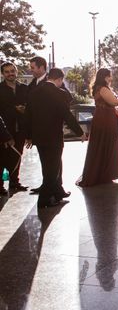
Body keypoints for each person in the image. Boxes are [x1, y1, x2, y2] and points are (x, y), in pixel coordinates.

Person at [24, 68, 86, 208]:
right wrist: (79, 132)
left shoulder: (34, 92)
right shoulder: (60, 93)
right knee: (53, 170)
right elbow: (67, 115)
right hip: (54, 137)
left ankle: (58, 194)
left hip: (39, 137)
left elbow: (27, 115)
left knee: (47, 167)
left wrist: (28, 136)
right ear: (59, 79)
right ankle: (44, 200)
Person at [77, 69, 118, 187]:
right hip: (105, 119)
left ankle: (102, 173)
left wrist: (114, 110)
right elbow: (115, 101)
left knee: (102, 144)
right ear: (105, 77)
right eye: (110, 76)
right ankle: (103, 174)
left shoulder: (98, 88)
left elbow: (105, 104)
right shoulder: (103, 89)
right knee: (107, 143)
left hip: (103, 116)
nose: (111, 78)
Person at [0, 62, 29, 192]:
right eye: (7, 71)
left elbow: (30, 108)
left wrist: (25, 110)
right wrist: (15, 109)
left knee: (17, 155)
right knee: (2, 157)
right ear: (2, 74)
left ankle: (14, 183)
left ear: (16, 72)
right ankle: (0, 186)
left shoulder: (24, 88)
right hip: (4, 130)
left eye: (12, 71)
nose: (10, 73)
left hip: (20, 129)